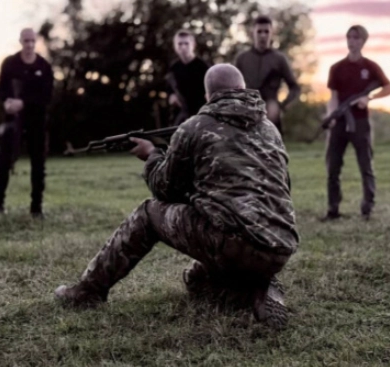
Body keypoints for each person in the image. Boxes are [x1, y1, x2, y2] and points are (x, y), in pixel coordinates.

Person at [54, 64, 299, 329]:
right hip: (279, 246)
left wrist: (151, 156)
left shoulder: (194, 127)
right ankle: (257, 284)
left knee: (148, 213)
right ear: (243, 89)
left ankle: (89, 290)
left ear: (208, 96)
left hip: (235, 242)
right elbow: (282, 187)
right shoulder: (271, 130)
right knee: (196, 279)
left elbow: (164, 189)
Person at [321, 25, 390, 221]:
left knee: (366, 166)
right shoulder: (336, 68)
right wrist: (331, 116)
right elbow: (334, 97)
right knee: (333, 167)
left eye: (356, 38)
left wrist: (369, 99)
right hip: (339, 123)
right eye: (349, 37)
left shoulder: (370, 67)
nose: (352, 41)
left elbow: (389, 88)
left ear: (363, 41)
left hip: (360, 123)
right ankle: (333, 209)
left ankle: (367, 209)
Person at [0, 28, 54, 217]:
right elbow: (2, 88)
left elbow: (47, 96)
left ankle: (36, 208)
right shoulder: (10, 64)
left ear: (36, 42)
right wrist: (7, 102)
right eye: (26, 41)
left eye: (32, 41)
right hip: (13, 121)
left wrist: (24, 103)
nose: (29, 44)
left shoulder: (44, 67)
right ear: (20, 41)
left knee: (38, 164)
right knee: (4, 162)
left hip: (37, 121)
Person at [234, 16, 300, 136]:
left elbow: (294, 88)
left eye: (266, 31)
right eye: (259, 31)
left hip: (271, 118)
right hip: (247, 116)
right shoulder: (242, 58)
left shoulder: (279, 59)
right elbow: (232, 88)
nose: (263, 35)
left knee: (274, 154)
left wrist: (281, 107)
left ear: (272, 33)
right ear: (252, 32)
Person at [166, 29, 210, 126]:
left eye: (186, 43)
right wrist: (172, 96)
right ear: (175, 46)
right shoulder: (174, 68)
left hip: (202, 113)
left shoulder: (203, 67)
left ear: (193, 44)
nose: (183, 47)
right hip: (183, 114)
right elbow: (169, 88)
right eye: (180, 44)